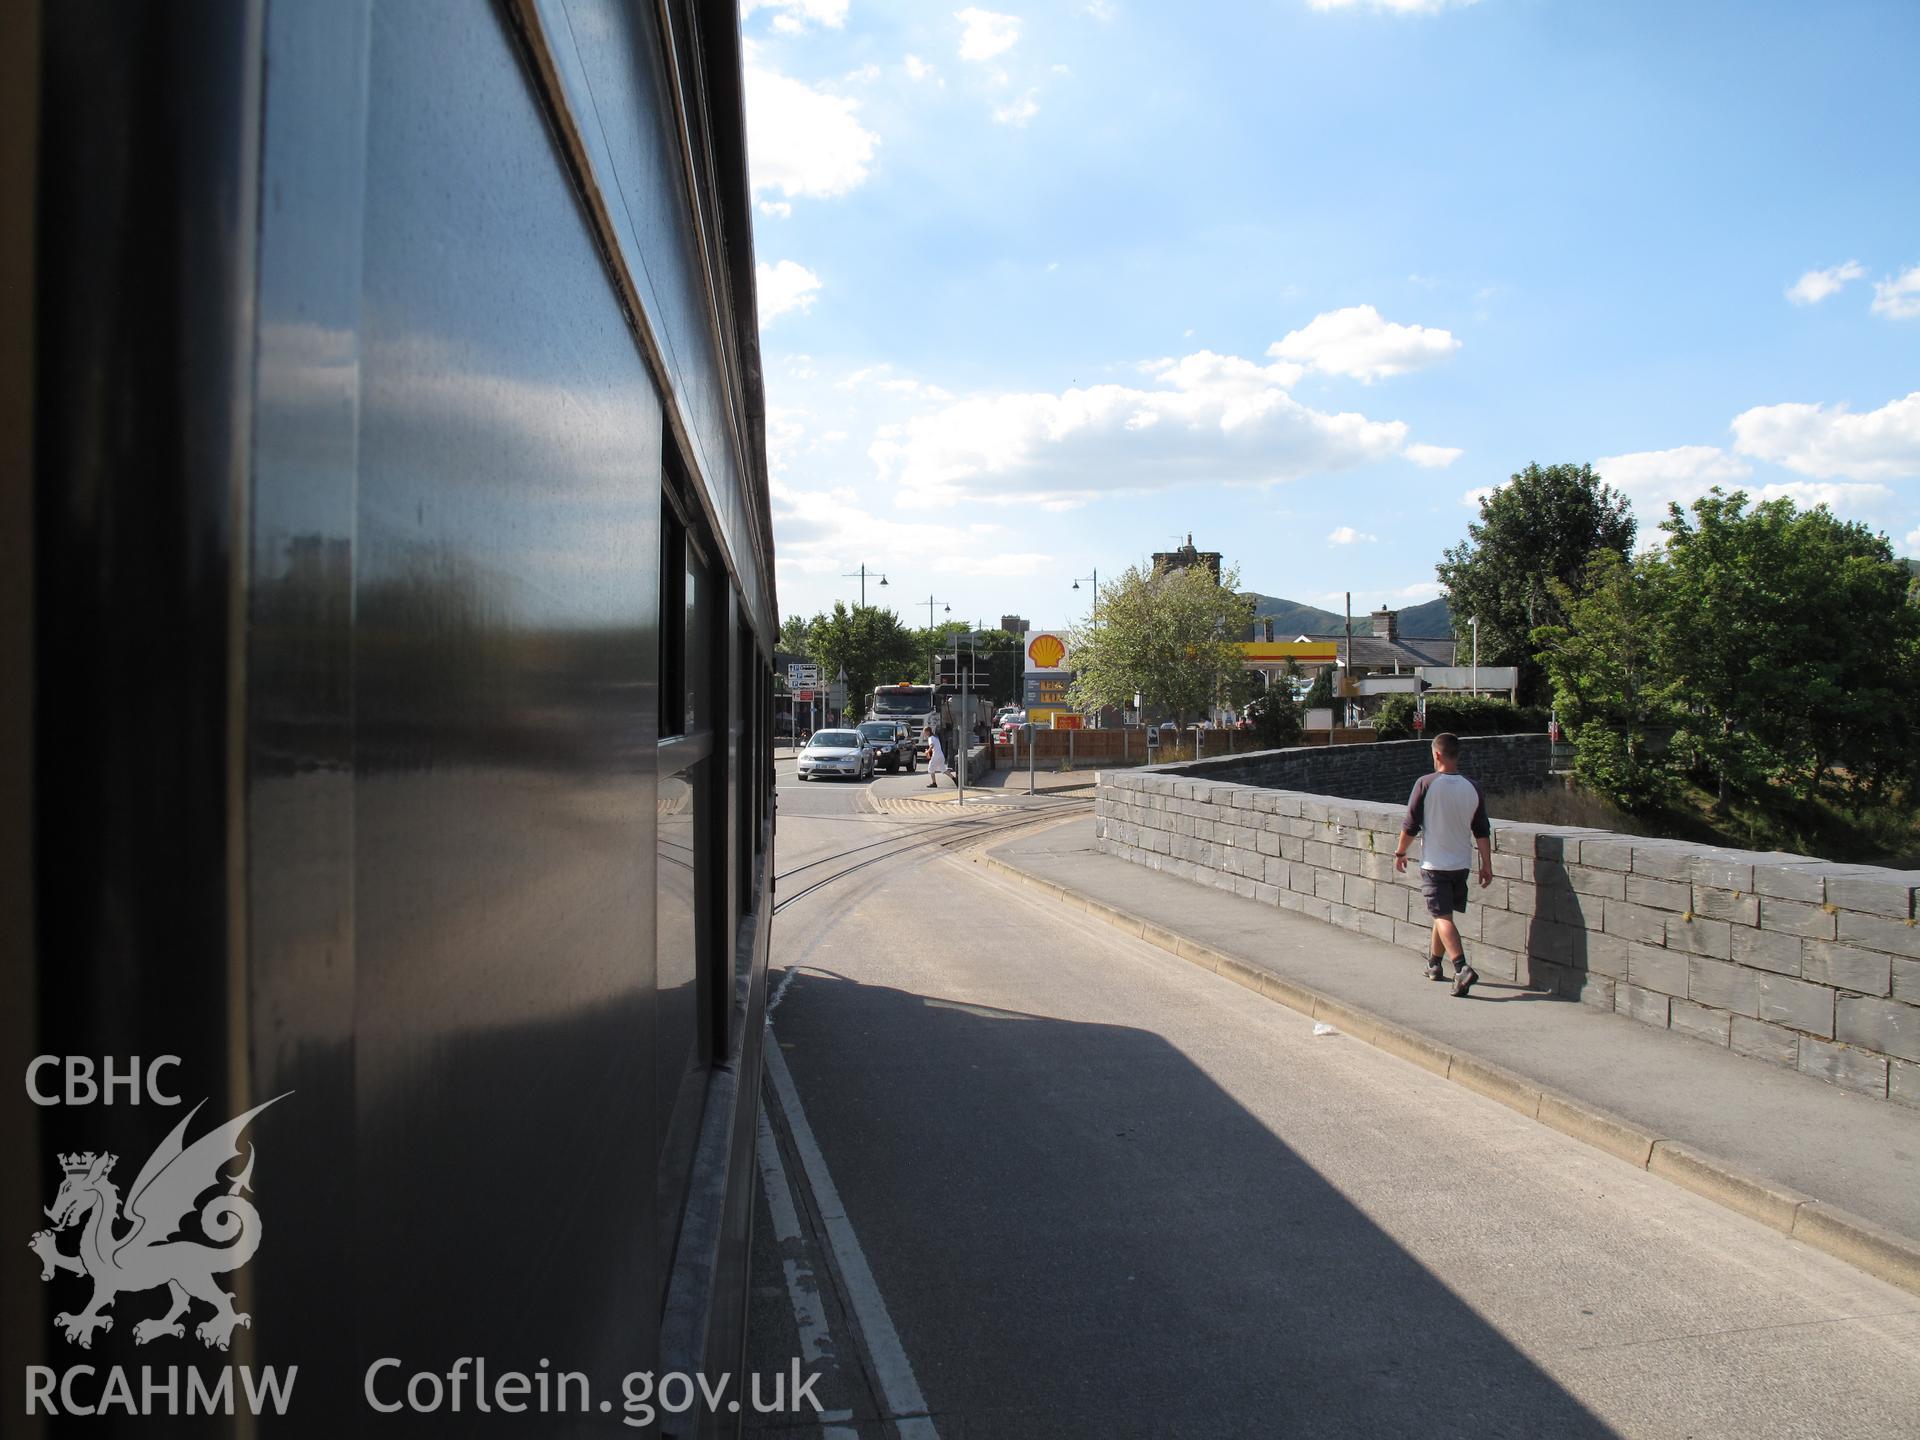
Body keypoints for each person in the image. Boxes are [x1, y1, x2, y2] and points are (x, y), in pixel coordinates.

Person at [1393, 732, 1493, 997]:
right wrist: (1487, 865)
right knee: (1442, 915)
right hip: (1461, 864)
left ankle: (1461, 967)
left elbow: (1410, 824)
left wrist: (1400, 851)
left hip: (1435, 863)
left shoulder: (1425, 784)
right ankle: (1434, 965)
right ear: (1455, 754)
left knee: (1442, 917)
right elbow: (1482, 829)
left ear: (1436, 754)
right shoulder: (1473, 787)